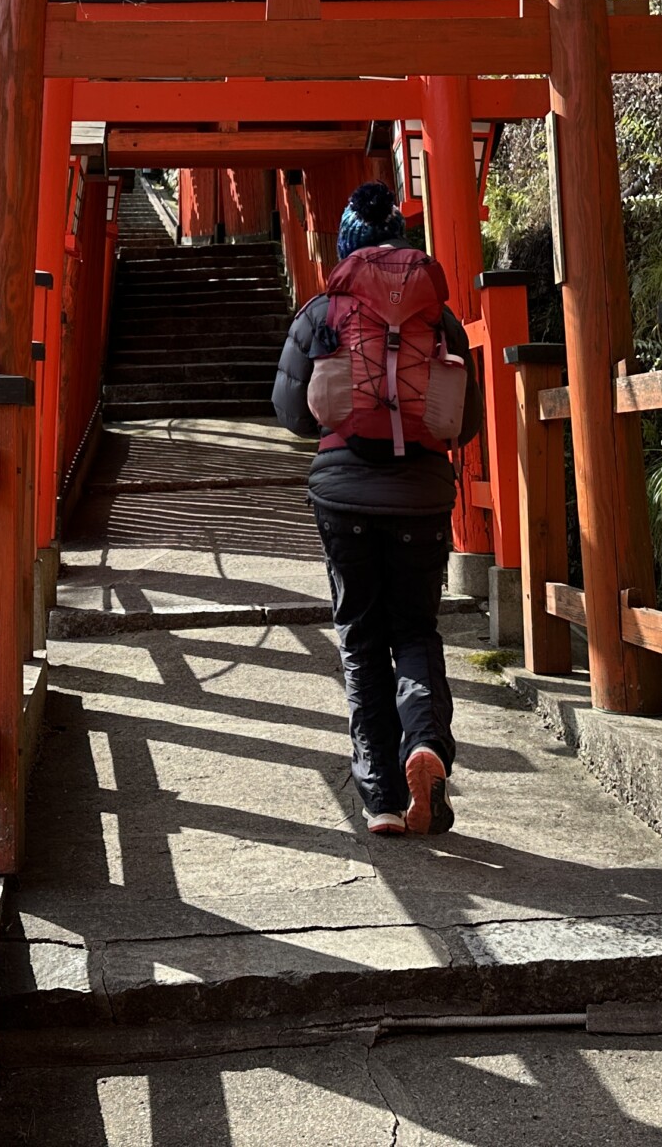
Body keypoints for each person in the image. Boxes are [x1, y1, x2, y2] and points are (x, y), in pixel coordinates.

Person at [270, 181, 480, 836]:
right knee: (414, 632)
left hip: (343, 498)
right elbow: (463, 423)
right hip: (420, 499)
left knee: (361, 643)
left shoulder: (321, 313)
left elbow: (289, 414)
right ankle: (425, 744)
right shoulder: (439, 318)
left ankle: (383, 798)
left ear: (345, 245)